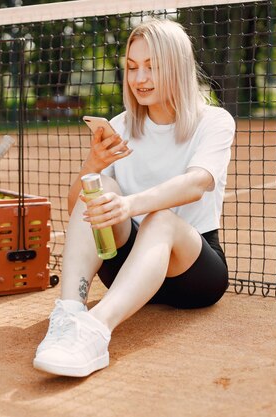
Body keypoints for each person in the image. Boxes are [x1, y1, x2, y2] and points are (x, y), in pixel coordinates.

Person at [33, 18, 235, 377]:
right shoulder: (121, 125)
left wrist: (129, 204)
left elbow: (197, 183)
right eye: (132, 67)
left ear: (176, 66)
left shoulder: (215, 121)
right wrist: (94, 164)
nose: (139, 79)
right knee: (99, 189)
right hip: (126, 268)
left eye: (152, 67)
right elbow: (75, 209)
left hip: (192, 273)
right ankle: (68, 315)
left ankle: (95, 332)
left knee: (160, 218)